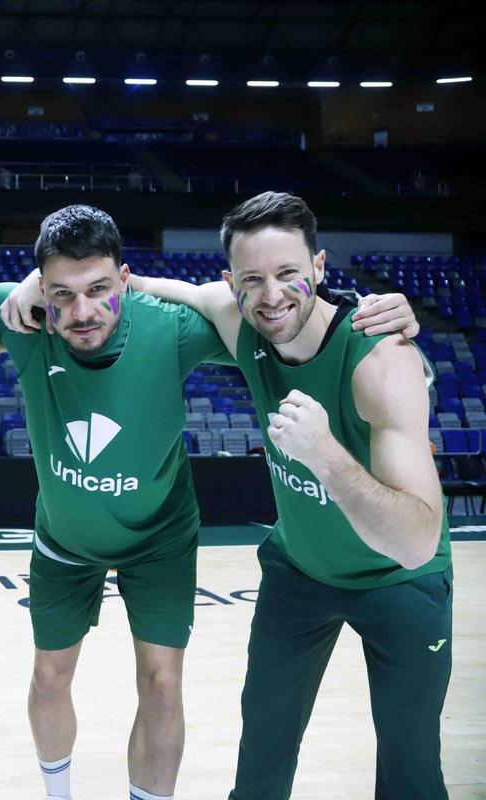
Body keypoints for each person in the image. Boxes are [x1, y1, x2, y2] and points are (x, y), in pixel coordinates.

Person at [0, 204, 419, 800]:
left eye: (100, 289)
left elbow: (282, 315)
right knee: (49, 676)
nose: (82, 311)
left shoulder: (170, 328)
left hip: (160, 538)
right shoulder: (22, 318)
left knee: (162, 686)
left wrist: (390, 323)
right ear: (43, 291)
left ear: (126, 280)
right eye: (62, 294)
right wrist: (23, 286)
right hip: (64, 538)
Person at [125, 191, 451, 800]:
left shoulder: (382, 361)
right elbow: (180, 291)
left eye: (288, 275)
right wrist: (82, 284)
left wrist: (325, 455)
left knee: (412, 774)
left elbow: (415, 542)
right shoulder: (237, 317)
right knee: (260, 760)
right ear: (232, 282)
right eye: (252, 279)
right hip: (300, 573)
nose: (271, 295)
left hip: (397, 580)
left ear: (320, 269)